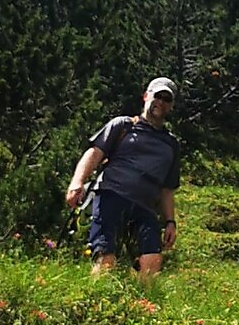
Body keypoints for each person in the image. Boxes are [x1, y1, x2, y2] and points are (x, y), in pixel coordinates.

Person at [65, 77, 182, 277]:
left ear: (171, 106)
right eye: (157, 96)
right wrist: (77, 183)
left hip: (146, 207)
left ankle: (142, 298)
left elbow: (167, 189)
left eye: (166, 99)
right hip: (111, 196)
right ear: (146, 96)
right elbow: (94, 153)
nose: (160, 102)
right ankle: (96, 295)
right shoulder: (123, 125)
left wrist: (170, 222)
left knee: (152, 261)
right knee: (106, 259)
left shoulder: (171, 144)